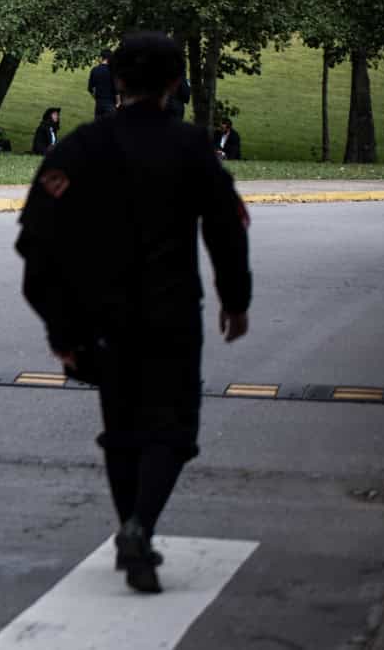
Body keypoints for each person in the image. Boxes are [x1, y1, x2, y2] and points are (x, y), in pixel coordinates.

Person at [16, 32, 251, 595]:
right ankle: (140, 527)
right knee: (172, 428)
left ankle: (130, 526)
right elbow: (225, 226)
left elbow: (36, 242)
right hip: (171, 310)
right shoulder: (192, 147)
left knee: (120, 430)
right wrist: (234, 299)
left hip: (102, 315)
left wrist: (60, 326)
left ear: (115, 80)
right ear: (176, 83)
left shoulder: (79, 147)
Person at [88, 48, 117, 119]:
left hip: (99, 104)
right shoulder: (113, 71)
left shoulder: (95, 70)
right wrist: (118, 103)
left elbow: (90, 88)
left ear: (102, 57)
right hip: (111, 104)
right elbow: (116, 90)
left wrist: (96, 98)